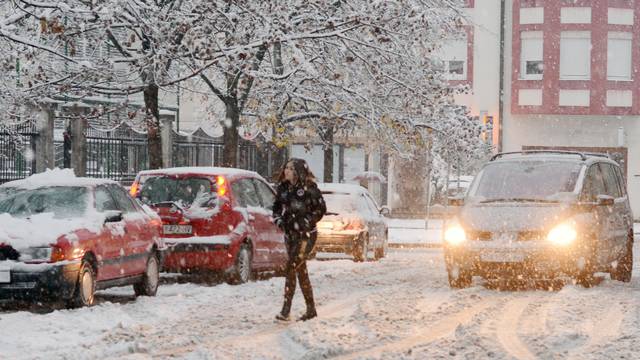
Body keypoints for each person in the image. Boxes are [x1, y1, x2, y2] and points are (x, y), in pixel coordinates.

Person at [272, 158, 326, 321]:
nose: (286, 171)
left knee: (292, 266)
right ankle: (311, 309)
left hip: (306, 236)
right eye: (286, 168)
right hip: (291, 235)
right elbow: (276, 208)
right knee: (300, 271)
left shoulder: (310, 189)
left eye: (290, 168)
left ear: (297, 171)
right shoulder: (283, 188)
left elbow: (321, 209)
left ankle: (286, 309)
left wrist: (307, 221)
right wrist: (279, 220)